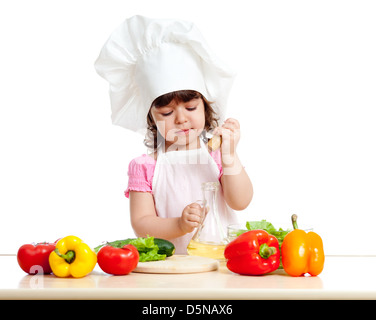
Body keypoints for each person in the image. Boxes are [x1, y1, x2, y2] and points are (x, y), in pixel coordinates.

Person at [95, 15, 253, 254]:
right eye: (167, 112)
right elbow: (141, 223)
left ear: (206, 108)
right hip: (171, 270)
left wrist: (230, 153)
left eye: (190, 108)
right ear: (151, 118)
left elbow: (240, 201)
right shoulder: (145, 167)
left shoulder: (218, 155)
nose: (181, 119)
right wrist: (178, 224)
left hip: (222, 263)